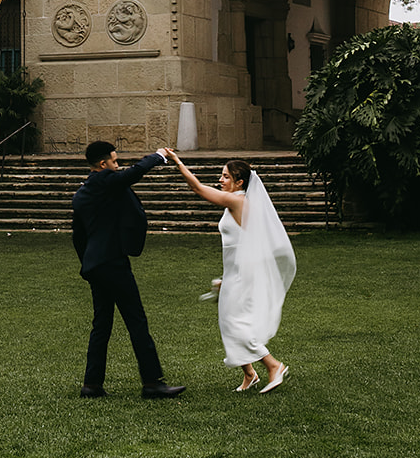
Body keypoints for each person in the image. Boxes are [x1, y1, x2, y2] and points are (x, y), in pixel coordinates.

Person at [163, 150, 295, 392]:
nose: (220, 180)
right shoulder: (238, 201)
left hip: (244, 275)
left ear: (239, 182)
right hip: (234, 274)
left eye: (225, 177)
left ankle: (273, 365)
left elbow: (198, 189)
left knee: (236, 324)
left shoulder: (237, 200)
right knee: (227, 323)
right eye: (221, 176)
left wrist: (178, 162)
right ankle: (249, 375)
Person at [71, 140, 185, 399]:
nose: (117, 165)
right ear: (103, 164)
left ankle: (92, 384)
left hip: (95, 265)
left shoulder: (84, 193)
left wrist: (87, 263)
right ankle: (152, 382)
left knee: (102, 324)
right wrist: (158, 156)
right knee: (136, 320)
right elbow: (134, 173)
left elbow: (78, 237)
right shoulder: (105, 181)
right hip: (112, 263)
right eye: (114, 161)